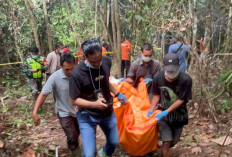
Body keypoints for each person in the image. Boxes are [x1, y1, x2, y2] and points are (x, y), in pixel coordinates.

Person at [69, 38, 128, 157]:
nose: (97, 63)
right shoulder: (77, 73)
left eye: (99, 59)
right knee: (89, 154)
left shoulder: (106, 61)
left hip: (107, 112)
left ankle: (103, 154)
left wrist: (117, 94)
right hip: (87, 115)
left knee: (114, 141)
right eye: (93, 61)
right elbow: (73, 99)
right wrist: (94, 104)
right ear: (85, 56)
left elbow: (105, 81)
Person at [32, 54, 81, 157]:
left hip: (78, 111)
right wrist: (35, 112)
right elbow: (43, 94)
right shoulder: (54, 77)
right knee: (72, 136)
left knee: (77, 133)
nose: (70, 71)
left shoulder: (79, 73)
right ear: (61, 66)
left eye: (72, 68)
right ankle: (76, 152)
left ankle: (72, 145)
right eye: (67, 69)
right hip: (64, 112)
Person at [147, 53, 192, 157]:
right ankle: (162, 143)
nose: (171, 74)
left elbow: (181, 99)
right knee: (167, 142)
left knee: (173, 142)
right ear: (164, 67)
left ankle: (160, 143)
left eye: (173, 71)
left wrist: (167, 111)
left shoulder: (186, 80)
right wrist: (150, 110)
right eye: (169, 71)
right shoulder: (158, 77)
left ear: (179, 67)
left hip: (179, 115)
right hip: (163, 115)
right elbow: (156, 94)